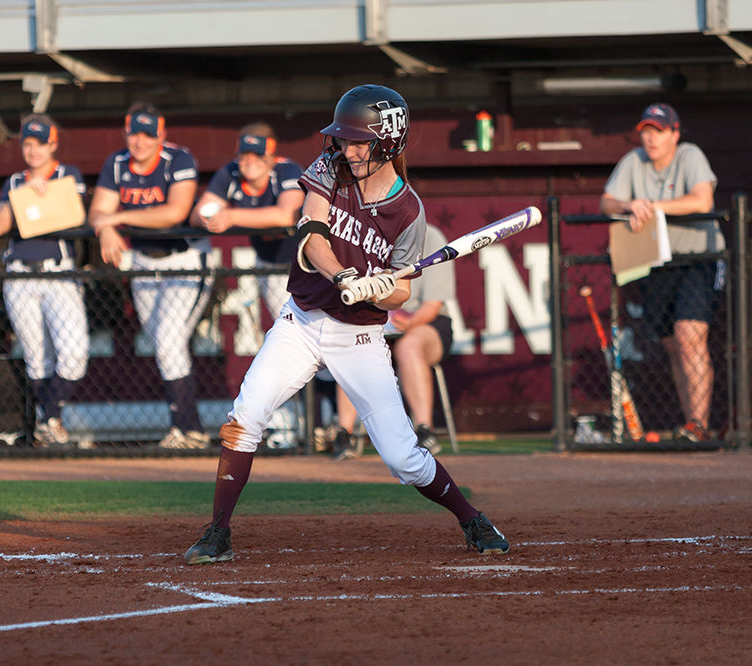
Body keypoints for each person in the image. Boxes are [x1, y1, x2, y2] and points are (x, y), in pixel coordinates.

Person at [184, 84, 509, 565]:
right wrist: (344, 275)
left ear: (389, 142)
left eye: (360, 141)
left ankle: (471, 518)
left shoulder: (409, 211)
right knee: (245, 416)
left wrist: (379, 286)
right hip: (301, 321)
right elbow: (313, 237)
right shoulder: (329, 168)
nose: (348, 149)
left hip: (359, 337)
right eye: (345, 139)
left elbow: (404, 290)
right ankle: (218, 531)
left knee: (402, 457)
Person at [89, 103, 213, 450]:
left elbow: (175, 212)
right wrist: (104, 227)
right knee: (163, 345)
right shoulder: (116, 163)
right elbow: (97, 210)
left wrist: (114, 220)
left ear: (161, 134)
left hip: (185, 260)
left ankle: (188, 428)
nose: (140, 142)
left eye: (148, 134)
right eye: (134, 134)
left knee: (169, 341)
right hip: (144, 262)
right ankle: (188, 429)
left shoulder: (179, 158)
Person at [600, 102, 722, 443]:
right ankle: (691, 425)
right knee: (673, 345)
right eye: (647, 132)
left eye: (659, 131)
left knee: (689, 337)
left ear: (675, 133)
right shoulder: (633, 161)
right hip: (659, 264)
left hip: (699, 259)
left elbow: (702, 201)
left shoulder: (690, 155)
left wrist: (652, 207)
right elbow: (607, 202)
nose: (652, 140)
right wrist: (629, 204)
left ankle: (699, 423)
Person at [0, 114, 90, 447]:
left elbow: (71, 214)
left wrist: (41, 199)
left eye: (40, 144)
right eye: (28, 144)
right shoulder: (15, 180)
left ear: (53, 144)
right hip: (20, 272)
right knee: (37, 356)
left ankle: (48, 417)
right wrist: (23, 196)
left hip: (58, 270)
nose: (33, 151)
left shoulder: (67, 174)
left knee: (74, 352)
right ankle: (48, 428)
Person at [333, 221, 455, 459]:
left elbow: (432, 306)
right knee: (352, 348)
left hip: (424, 323)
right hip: (378, 321)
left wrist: (407, 324)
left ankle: (423, 430)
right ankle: (344, 434)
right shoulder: (360, 236)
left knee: (409, 347)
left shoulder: (430, 236)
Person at [191, 122, 304, 321]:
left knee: (303, 325)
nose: (250, 161)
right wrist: (210, 217)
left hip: (301, 265)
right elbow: (197, 215)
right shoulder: (231, 173)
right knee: (286, 324)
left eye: (257, 155)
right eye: (244, 155)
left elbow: (287, 216)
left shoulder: (287, 171)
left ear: (270, 155)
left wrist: (232, 216)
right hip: (267, 261)